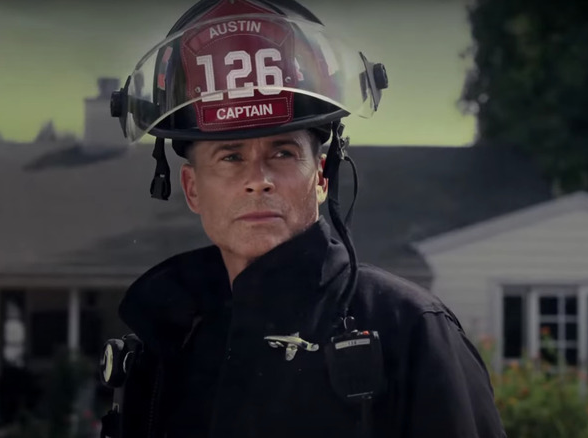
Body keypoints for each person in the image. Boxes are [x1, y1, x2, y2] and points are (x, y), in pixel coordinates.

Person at [99, 0, 507, 437]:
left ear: (321, 177)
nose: (259, 180)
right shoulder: (165, 345)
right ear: (192, 188)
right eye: (231, 156)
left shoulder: (409, 331)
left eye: (283, 152)